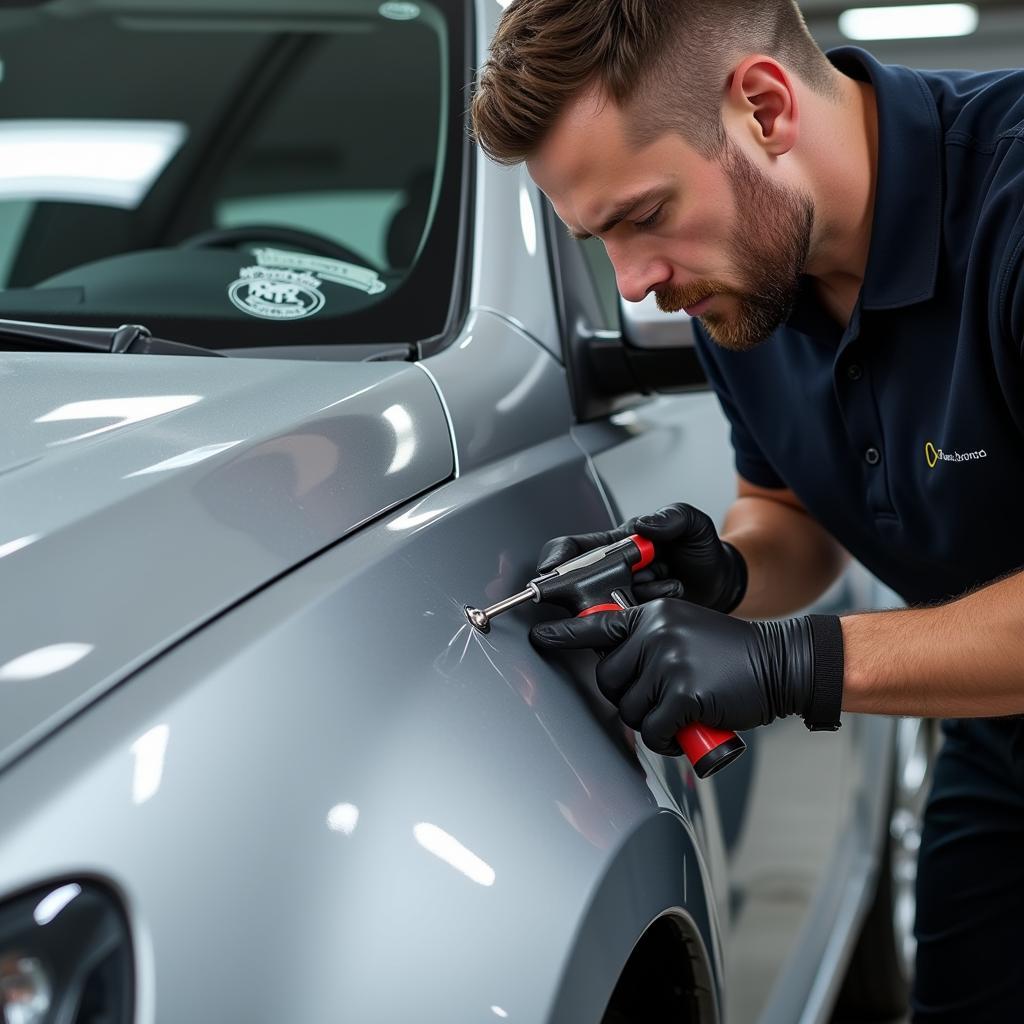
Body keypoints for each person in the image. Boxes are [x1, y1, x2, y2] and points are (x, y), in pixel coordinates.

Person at [470, 1, 1024, 1020]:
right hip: (999, 742)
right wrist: (722, 571)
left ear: (764, 109)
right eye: (601, 242)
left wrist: (789, 664)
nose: (638, 286)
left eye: (641, 215)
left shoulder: (1011, 208)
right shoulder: (750, 286)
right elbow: (791, 515)